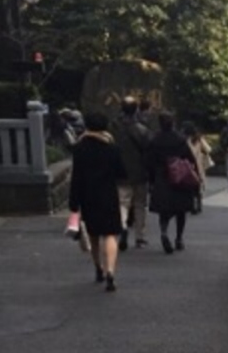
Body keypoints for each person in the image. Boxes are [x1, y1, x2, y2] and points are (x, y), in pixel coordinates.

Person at [67, 111, 127, 292]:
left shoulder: (79, 149)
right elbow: (122, 173)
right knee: (110, 234)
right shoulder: (112, 148)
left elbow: (76, 177)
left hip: (88, 196)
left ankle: (98, 268)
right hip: (108, 195)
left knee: (94, 235)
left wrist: (74, 203)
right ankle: (111, 271)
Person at [146, 111, 199, 254]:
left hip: (161, 176)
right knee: (181, 209)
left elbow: (149, 161)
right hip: (179, 176)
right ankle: (179, 238)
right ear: (173, 123)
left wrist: (151, 179)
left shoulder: (155, 140)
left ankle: (164, 232)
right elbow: (190, 158)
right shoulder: (180, 139)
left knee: (164, 209)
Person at [111, 97, 152, 249]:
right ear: (136, 110)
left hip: (120, 173)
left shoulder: (114, 129)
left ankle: (122, 227)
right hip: (140, 173)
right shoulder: (142, 130)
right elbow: (148, 150)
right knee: (140, 204)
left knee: (122, 203)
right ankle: (140, 237)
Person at [181, 121, 212, 214]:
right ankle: (198, 204)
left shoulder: (183, 140)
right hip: (198, 165)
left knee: (188, 186)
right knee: (197, 186)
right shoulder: (199, 139)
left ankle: (190, 205)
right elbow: (208, 149)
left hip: (187, 165)